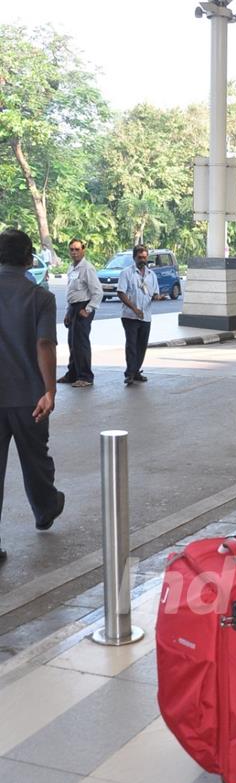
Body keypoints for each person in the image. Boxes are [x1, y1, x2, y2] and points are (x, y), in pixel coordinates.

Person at [0, 229, 65, 563]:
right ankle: (46, 508)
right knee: (36, 461)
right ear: (28, 259)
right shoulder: (40, 297)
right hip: (29, 397)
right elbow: (45, 344)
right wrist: (50, 390)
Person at [58, 238, 102, 388]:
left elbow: (98, 292)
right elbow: (70, 291)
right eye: (72, 249)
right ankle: (73, 374)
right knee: (72, 342)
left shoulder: (87, 268)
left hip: (83, 307)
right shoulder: (71, 268)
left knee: (81, 343)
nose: (74, 252)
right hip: (73, 307)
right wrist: (67, 312)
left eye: (77, 249)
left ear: (83, 250)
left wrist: (88, 309)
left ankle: (85, 376)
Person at [117, 244, 162, 386]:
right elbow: (121, 293)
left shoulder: (151, 275)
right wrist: (134, 308)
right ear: (134, 257)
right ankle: (129, 373)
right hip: (130, 316)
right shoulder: (127, 273)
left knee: (141, 345)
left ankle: (136, 371)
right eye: (140, 257)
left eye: (145, 257)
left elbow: (154, 293)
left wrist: (158, 297)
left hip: (146, 316)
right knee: (131, 345)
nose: (142, 260)